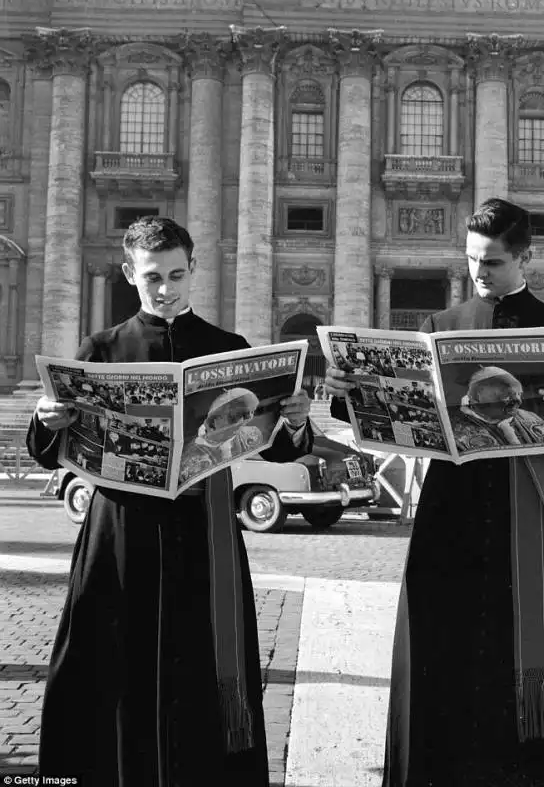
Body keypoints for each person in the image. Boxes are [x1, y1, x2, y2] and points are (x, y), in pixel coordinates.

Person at [325, 198, 544, 786]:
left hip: (530, 500)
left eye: (491, 262)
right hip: (452, 503)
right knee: (444, 640)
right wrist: (344, 390)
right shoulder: (440, 325)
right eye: (470, 260)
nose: (478, 273)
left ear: (525, 258)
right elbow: (398, 413)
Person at [27, 217, 312, 786]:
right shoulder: (101, 350)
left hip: (200, 529)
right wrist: (46, 418)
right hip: (120, 531)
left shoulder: (230, 350)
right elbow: (49, 452)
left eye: (177, 275)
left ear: (193, 270)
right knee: (109, 660)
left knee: (199, 663)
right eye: (153, 277)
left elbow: (279, 450)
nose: (166, 289)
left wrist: (297, 424)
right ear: (130, 273)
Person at [447, 366, 544, 452]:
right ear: (477, 395)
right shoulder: (450, 426)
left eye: (519, 394)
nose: (518, 400)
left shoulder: (531, 418)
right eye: (507, 394)